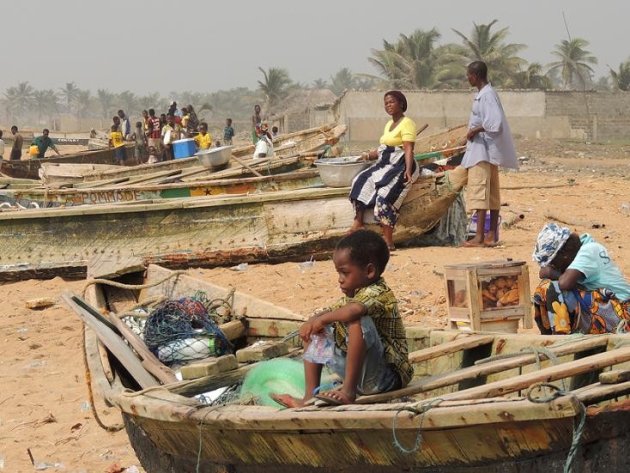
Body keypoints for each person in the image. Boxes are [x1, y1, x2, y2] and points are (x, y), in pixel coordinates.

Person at [271, 230, 413, 407]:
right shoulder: (351, 298)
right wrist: (313, 322)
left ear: (369, 271)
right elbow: (329, 312)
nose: (340, 280)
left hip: (386, 378)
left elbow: (353, 311)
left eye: (345, 273)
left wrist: (322, 320)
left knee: (357, 320)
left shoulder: (380, 292)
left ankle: (348, 391)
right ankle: (309, 396)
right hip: (362, 377)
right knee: (317, 328)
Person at [348, 90, 418, 251]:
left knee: (385, 195)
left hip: (400, 164)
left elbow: (408, 149)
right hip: (385, 164)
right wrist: (367, 155)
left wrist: (408, 170)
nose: (388, 106)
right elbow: (384, 148)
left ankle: (388, 240)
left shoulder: (407, 123)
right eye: (386, 103)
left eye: (391, 102)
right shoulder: (388, 124)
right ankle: (358, 221)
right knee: (360, 181)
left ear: (401, 103)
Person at [532, 222, 630, 335]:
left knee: (553, 288)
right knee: (544, 289)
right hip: (608, 308)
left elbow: (564, 283)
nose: (554, 267)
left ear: (564, 254)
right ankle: (550, 340)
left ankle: (561, 342)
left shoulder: (589, 250)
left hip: (623, 313)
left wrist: (550, 272)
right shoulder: (577, 253)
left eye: (553, 263)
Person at [461, 61, 518, 247]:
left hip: (482, 152)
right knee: (492, 193)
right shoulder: (484, 94)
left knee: (480, 193)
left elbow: (495, 123)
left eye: (469, 75)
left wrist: (475, 130)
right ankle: (491, 234)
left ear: (475, 76)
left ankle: (479, 235)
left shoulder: (487, 96)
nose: (467, 78)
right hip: (485, 151)